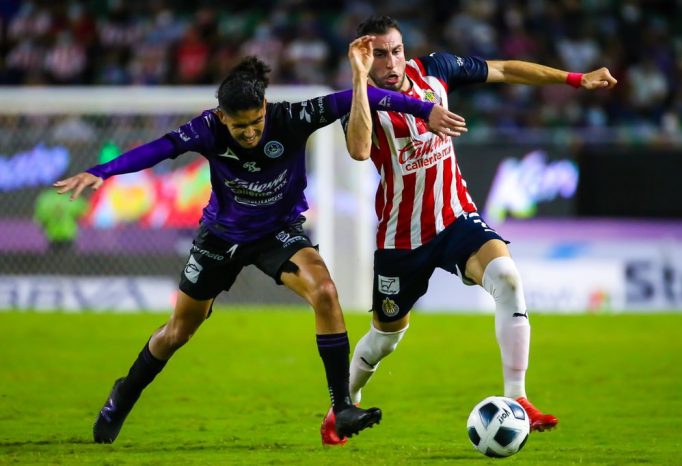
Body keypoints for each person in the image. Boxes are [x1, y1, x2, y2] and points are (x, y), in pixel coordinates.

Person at [54, 36, 467, 445]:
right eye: (240, 127)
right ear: (222, 117)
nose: (250, 133)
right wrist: (102, 171)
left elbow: (367, 97)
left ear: (265, 107)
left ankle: (342, 407)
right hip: (220, 237)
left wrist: (425, 109)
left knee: (325, 292)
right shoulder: (206, 129)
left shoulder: (292, 117)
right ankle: (124, 393)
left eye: (255, 123)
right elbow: (160, 149)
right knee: (178, 331)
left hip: (277, 233)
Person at [321, 15, 618, 445]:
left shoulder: (436, 70)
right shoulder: (359, 101)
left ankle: (518, 399)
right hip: (401, 240)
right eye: (379, 55)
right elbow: (359, 149)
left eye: (396, 51)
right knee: (386, 339)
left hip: (455, 218)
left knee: (507, 278)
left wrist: (575, 79)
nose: (391, 62)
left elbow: (505, 68)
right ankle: (341, 408)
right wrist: (357, 75)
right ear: (365, 58)